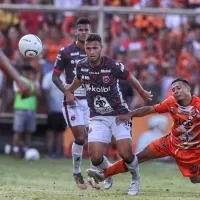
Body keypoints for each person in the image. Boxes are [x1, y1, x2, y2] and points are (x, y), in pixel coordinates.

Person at [65, 33, 153, 195]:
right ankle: (107, 174)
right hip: (97, 116)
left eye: (95, 48)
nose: (91, 51)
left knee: (126, 153)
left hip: (119, 114)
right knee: (95, 157)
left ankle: (135, 179)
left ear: (101, 48)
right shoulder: (81, 66)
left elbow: (130, 77)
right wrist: (69, 90)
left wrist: (142, 92)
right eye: (88, 48)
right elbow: (78, 79)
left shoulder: (112, 65)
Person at [87, 78, 200, 187]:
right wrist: (130, 114)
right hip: (170, 143)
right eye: (173, 90)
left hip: (191, 150)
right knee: (138, 157)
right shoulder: (171, 102)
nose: (175, 92)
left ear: (188, 89)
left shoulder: (198, 106)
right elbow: (149, 109)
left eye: (178, 88)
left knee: (195, 180)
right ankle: (104, 174)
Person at [52, 17, 99, 190]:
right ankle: (77, 171)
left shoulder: (94, 52)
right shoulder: (65, 52)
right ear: (75, 31)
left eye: (87, 30)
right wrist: (67, 91)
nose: (84, 33)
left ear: (90, 31)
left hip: (91, 100)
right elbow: (54, 76)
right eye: (81, 30)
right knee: (80, 137)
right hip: (72, 101)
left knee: (95, 139)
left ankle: (97, 172)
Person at [12, 64, 41, 159]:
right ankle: (16, 150)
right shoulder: (18, 80)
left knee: (29, 132)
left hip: (31, 109)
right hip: (20, 109)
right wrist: (32, 90)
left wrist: (33, 82)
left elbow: (38, 93)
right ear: (23, 71)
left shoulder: (33, 82)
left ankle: (27, 151)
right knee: (18, 131)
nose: (28, 73)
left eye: (30, 71)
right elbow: (23, 93)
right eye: (26, 70)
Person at [42, 70, 66, 158]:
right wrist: (48, 106)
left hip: (63, 109)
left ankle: (59, 152)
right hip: (52, 109)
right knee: (51, 132)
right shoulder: (49, 76)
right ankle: (50, 152)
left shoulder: (66, 77)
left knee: (61, 132)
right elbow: (45, 91)